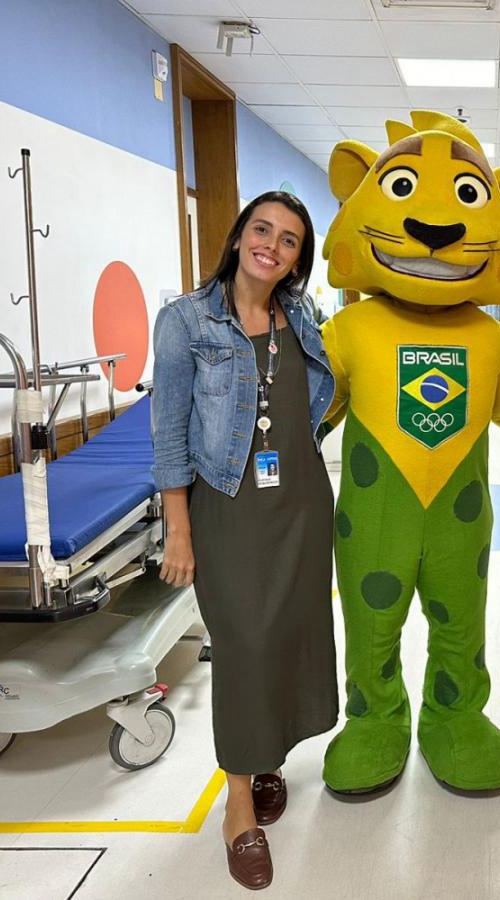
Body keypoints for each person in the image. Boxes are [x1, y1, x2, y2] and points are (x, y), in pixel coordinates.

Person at [151, 191, 337, 891]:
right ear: (237, 237)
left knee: (289, 635)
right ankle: (238, 806)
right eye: (262, 230)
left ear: (298, 258)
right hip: (227, 508)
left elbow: (315, 401)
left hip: (300, 504)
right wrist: (179, 529)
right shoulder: (186, 321)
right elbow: (168, 432)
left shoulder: (304, 316)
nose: (273, 246)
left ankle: (270, 762)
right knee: (242, 645)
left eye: (289, 240)